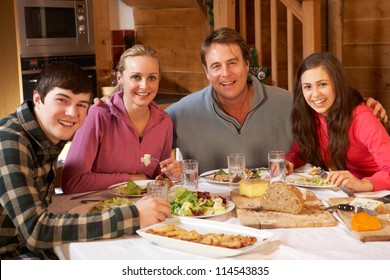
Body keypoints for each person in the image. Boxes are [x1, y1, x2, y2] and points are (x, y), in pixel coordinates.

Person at [0, 61, 170, 259]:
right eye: (62, 100)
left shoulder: (46, 136)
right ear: (38, 98)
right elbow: (36, 230)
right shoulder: (9, 141)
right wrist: (133, 216)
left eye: (81, 104)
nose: (72, 113)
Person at [165, 27, 388, 173]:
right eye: (216, 66)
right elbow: (146, 137)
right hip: (210, 211)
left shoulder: (291, 103)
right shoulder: (180, 113)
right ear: (206, 71)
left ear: (246, 64)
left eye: (232, 62)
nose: (225, 73)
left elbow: (327, 108)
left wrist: (362, 106)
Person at [61, 45, 180, 194]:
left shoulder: (164, 122)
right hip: (100, 210)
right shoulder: (97, 115)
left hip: (147, 208)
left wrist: (170, 174)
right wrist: (130, 179)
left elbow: (156, 178)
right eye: (136, 77)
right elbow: (72, 182)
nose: (144, 86)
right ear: (120, 78)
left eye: (151, 78)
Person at [285, 52, 390, 192]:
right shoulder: (315, 115)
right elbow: (303, 149)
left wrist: (364, 184)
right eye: (308, 87)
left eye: (322, 84)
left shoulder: (363, 117)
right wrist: (288, 161)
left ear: (337, 84)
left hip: (380, 192)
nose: (315, 94)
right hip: (351, 191)